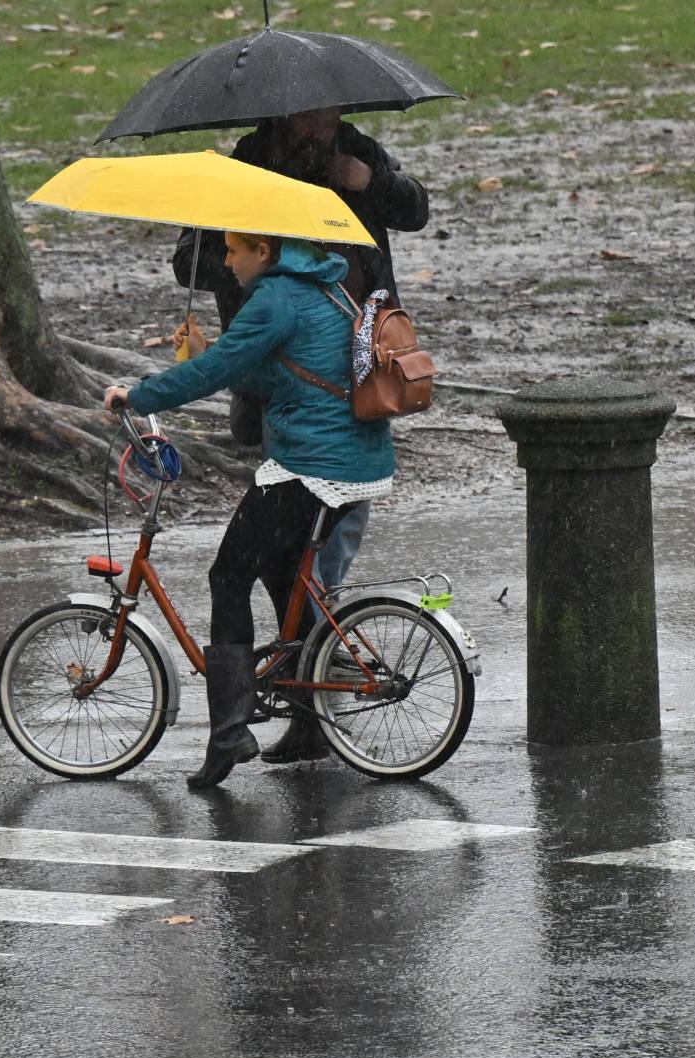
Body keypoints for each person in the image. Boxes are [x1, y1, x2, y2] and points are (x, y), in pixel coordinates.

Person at [104, 232, 395, 790]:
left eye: (234, 250)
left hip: (313, 463)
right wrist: (208, 351)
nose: (226, 262)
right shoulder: (324, 285)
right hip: (355, 459)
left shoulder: (275, 297)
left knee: (228, 574)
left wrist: (136, 396)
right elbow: (272, 373)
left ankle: (230, 731)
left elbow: (214, 376)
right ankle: (311, 721)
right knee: (281, 571)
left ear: (265, 251)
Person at [170, 107, 427, 590]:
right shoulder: (245, 166)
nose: (322, 129)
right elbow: (188, 262)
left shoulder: (359, 152)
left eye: (330, 118)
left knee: (347, 506)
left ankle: (320, 623)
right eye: (310, 120)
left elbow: (416, 211)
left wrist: (371, 180)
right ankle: (312, 628)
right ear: (283, 116)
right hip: (283, 364)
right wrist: (263, 263)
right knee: (292, 501)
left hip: (363, 355)